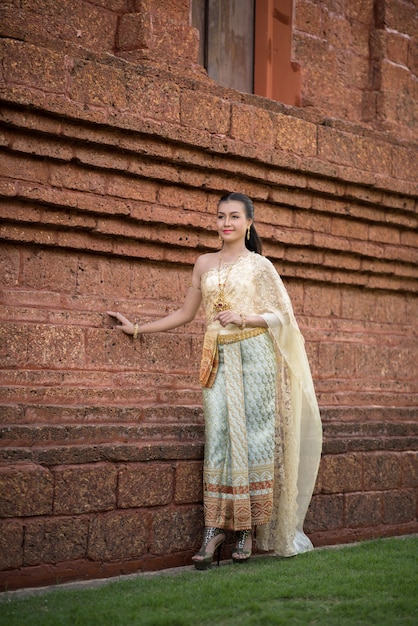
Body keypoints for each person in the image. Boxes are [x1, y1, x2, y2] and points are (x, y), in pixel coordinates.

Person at [107, 192, 322, 570]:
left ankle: (245, 529)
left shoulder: (260, 266)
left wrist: (245, 317)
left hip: (255, 359)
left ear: (249, 222)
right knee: (220, 434)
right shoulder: (203, 263)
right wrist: (138, 329)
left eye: (235, 216)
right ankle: (214, 527)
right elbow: (187, 313)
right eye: (221, 216)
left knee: (253, 436)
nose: (227, 222)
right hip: (216, 358)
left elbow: (283, 317)